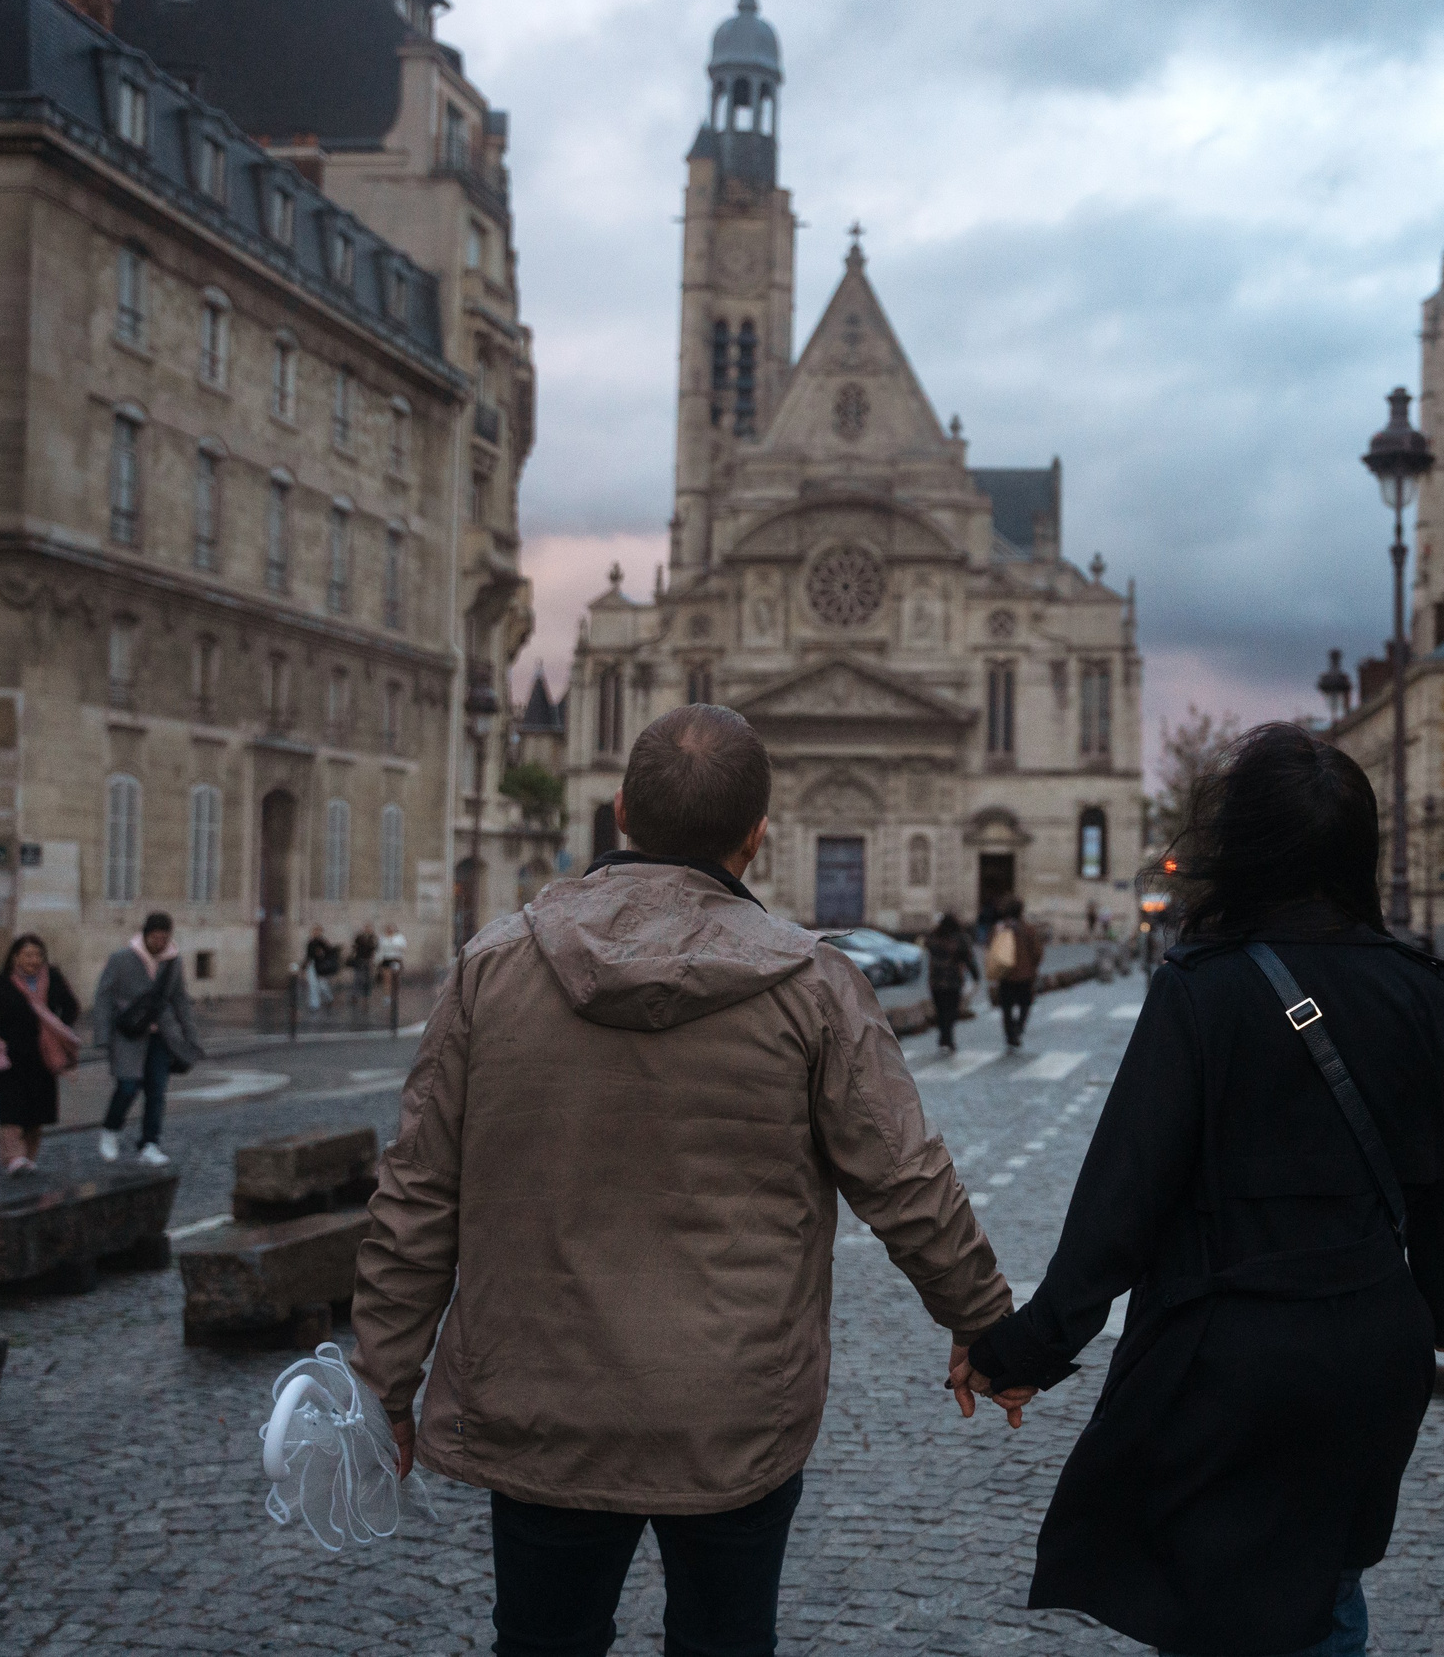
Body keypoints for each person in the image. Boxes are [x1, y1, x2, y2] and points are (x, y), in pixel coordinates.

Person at [352, 704, 1018, 1657]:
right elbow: (907, 1180)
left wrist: (384, 1381)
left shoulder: (491, 969)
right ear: (758, 834)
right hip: (735, 1408)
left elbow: (415, 1193)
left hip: (546, 1404)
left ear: (621, 810)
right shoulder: (814, 986)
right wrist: (988, 1326)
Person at [955, 724, 1444, 1657]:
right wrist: (1438, 1311)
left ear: (1240, 846)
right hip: (1369, 1353)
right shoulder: (1420, 989)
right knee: (1328, 1583)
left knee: (1221, 1602)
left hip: (1229, 1360)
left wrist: (1023, 1351)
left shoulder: (1201, 989)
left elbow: (1119, 1208)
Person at [90, 911, 203, 1166]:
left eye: (164, 937)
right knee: (128, 1086)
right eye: (155, 937)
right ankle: (110, 1130)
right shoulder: (121, 959)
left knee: (157, 1092)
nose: (160, 943)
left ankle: (150, 1143)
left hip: (161, 1036)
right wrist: (103, 1035)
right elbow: (104, 996)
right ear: (145, 934)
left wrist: (191, 1036)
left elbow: (180, 1000)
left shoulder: (173, 962)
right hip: (128, 1034)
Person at [0, 934, 80, 1177]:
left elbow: (72, 1006)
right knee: (12, 1105)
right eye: (28, 955)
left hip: (44, 1054)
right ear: (16, 956)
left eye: (38, 955)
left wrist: (58, 1028)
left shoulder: (52, 978)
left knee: (38, 1107)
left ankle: (29, 1156)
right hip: (11, 1054)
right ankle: (13, 1157)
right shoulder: (2, 983)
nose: (33, 960)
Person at [989, 897, 1044, 1050]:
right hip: (1025, 975)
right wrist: (1033, 966)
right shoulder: (1028, 929)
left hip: (1005, 974)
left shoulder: (1000, 928)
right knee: (1025, 1004)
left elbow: (992, 947)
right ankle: (1018, 1028)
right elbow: (1037, 951)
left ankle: (1010, 1034)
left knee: (1006, 1007)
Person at [924, 913, 982, 1054]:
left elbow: (926, 943)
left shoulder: (934, 937)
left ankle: (945, 1037)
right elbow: (968, 959)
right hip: (953, 981)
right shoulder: (961, 939)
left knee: (941, 1010)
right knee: (951, 1010)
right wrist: (975, 975)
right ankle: (947, 1038)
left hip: (936, 981)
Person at [303, 926, 340, 1012]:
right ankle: (314, 1004)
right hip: (312, 965)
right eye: (314, 931)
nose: (315, 933)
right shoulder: (310, 942)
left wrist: (322, 954)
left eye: (317, 931)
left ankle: (329, 998)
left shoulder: (323, 942)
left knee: (323, 985)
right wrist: (305, 966)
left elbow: (330, 952)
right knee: (313, 985)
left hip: (320, 966)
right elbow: (308, 955)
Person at [377, 921, 408, 999]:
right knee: (387, 979)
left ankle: (396, 994)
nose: (389, 930)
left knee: (396, 977)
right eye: (388, 928)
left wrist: (395, 945)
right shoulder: (383, 938)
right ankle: (387, 996)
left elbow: (404, 948)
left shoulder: (399, 937)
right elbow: (380, 950)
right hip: (386, 958)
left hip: (396, 958)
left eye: (391, 928)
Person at [349, 922, 379, 1002]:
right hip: (359, 960)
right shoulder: (360, 937)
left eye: (369, 928)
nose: (368, 930)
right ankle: (354, 995)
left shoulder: (373, 938)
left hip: (368, 960)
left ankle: (366, 996)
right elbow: (355, 947)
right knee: (358, 978)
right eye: (366, 928)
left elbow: (375, 948)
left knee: (368, 979)